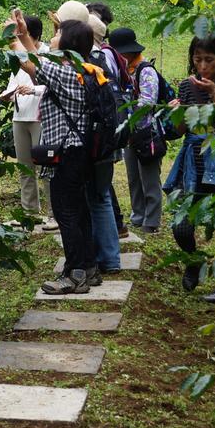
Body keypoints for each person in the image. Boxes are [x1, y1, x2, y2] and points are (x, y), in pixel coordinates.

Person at [9, 11, 104, 294]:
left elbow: (29, 63)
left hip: (68, 153)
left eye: (58, 32)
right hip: (80, 150)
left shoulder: (64, 72)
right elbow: (38, 58)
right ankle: (88, 268)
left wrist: (12, 36)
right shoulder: (83, 68)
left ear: (67, 44)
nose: (53, 34)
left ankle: (74, 274)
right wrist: (25, 33)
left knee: (66, 213)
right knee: (79, 210)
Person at [165, 36, 215, 304]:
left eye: (208, 60)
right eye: (197, 59)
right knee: (182, 226)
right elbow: (177, 133)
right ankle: (193, 262)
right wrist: (175, 114)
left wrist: (213, 93)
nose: (202, 66)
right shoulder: (186, 87)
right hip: (194, 164)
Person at [0, 14, 54, 224]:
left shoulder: (48, 54)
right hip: (20, 116)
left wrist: (33, 90)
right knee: (24, 167)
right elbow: (14, 81)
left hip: (40, 117)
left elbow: (50, 84)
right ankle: (29, 212)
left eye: (21, 33)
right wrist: (8, 93)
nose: (18, 37)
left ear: (32, 35)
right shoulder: (18, 56)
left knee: (46, 167)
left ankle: (53, 214)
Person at [110, 27, 163, 233]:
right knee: (133, 177)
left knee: (149, 178)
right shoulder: (123, 72)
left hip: (146, 133)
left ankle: (152, 220)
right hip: (130, 135)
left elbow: (148, 102)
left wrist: (126, 110)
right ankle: (138, 215)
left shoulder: (145, 70)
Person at [86, 15, 123, 274]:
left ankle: (107, 258)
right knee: (102, 196)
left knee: (98, 198)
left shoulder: (91, 62)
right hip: (108, 138)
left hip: (97, 140)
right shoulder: (107, 56)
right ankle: (109, 257)